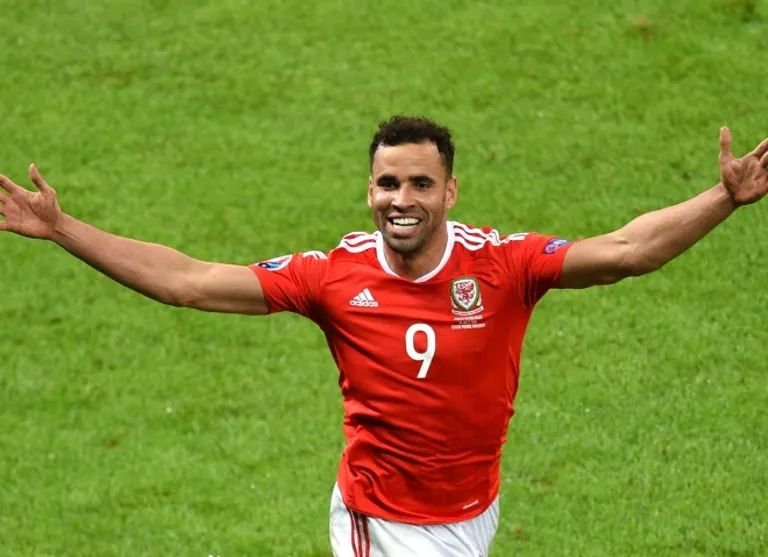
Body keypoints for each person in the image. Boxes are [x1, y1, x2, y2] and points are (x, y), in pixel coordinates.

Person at [1, 116, 767, 557]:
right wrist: (64, 228)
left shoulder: (503, 266)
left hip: (472, 509)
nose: (402, 198)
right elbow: (189, 280)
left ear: (450, 191)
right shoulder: (333, 277)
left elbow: (628, 251)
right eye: (388, 182)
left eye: (420, 183)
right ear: (369, 189)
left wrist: (723, 198)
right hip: (383, 519)